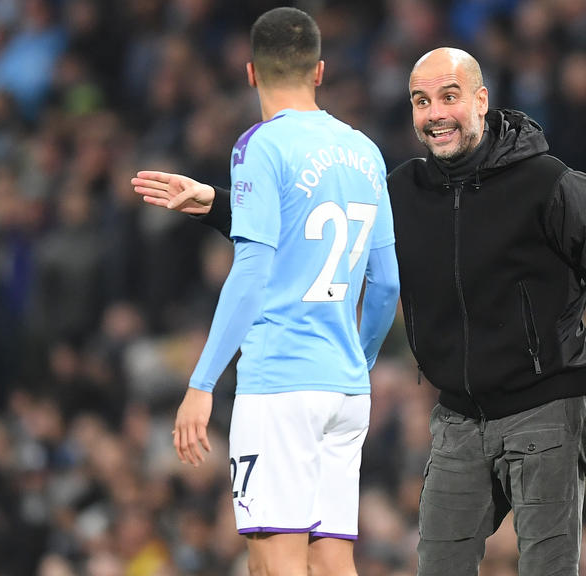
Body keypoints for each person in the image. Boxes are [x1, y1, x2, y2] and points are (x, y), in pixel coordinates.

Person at [134, 47, 586, 575]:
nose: (435, 114)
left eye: (449, 97)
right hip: (458, 417)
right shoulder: (403, 189)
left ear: (481, 100)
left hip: (546, 412)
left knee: (547, 569)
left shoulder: (550, 181)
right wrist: (219, 205)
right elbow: (318, 229)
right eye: (421, 101)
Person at [134, 8, 399, 576]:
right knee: (332, 563)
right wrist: (360, 359)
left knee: (273, 563)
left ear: (250, 73)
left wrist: (202, 384)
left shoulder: (261, 146)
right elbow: (387, 283)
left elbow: (252, 271)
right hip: (345, 389)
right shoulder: (366, 153)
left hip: (279, 385)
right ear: (320, 71)